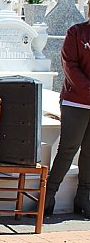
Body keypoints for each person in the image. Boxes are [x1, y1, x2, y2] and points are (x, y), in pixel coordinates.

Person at [44, 20, 90, 219]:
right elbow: (70, 66)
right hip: (76, 102)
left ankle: (83, 197)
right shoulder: (77, 32)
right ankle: (49, 195)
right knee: (68, 149)